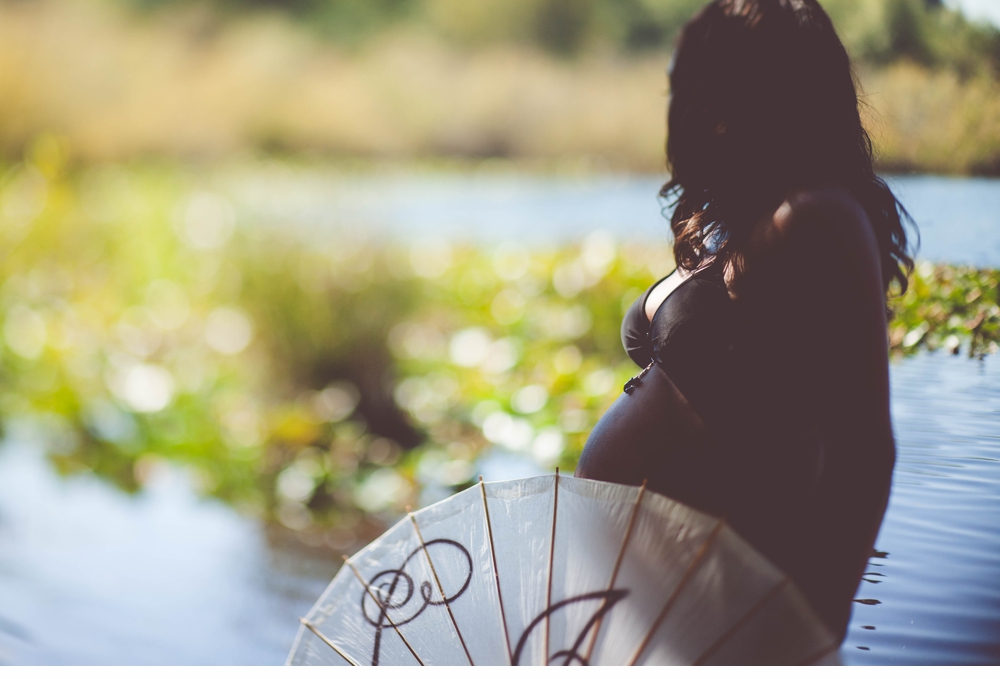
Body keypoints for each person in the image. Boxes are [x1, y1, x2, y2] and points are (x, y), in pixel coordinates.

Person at [575, 0, 914, 643]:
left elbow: (865, 451)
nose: (681, 98)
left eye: (697, 78)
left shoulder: (816, 216)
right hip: (655, 597)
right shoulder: (727, 225)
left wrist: (817, 626)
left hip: (734, 609)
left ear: (756, 90)